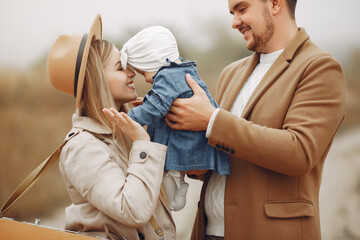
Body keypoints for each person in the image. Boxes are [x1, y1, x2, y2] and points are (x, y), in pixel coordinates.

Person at [164, 0, 347, 239]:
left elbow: (300, 153)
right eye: (232, 13)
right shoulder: (231, 73)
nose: (234, 22)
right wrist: (189, 148)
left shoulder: (320, 68)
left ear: (274, 4)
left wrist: (211, 120)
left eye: (242, 9)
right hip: (208, 232)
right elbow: (228, 149)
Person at [47, 15, 176, 240]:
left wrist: (161, 124)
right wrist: (142, 144)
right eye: (120, 67)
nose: (132, 72)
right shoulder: (82, 147)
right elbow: (133, 209)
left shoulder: (123, 131)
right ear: (96, 80)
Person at [114, 25, 231, 212]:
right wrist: (148, 100)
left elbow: (155, 108)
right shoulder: (182, 69)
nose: (145, 80)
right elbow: (174, 97)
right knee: (173, 173)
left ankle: (175, 195)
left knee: (167, 176)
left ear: (153, 60)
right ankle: (180, 188)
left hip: (182, 139)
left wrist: (128, 118)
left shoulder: (167, 76)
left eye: (144, 72)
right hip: (187, 137)